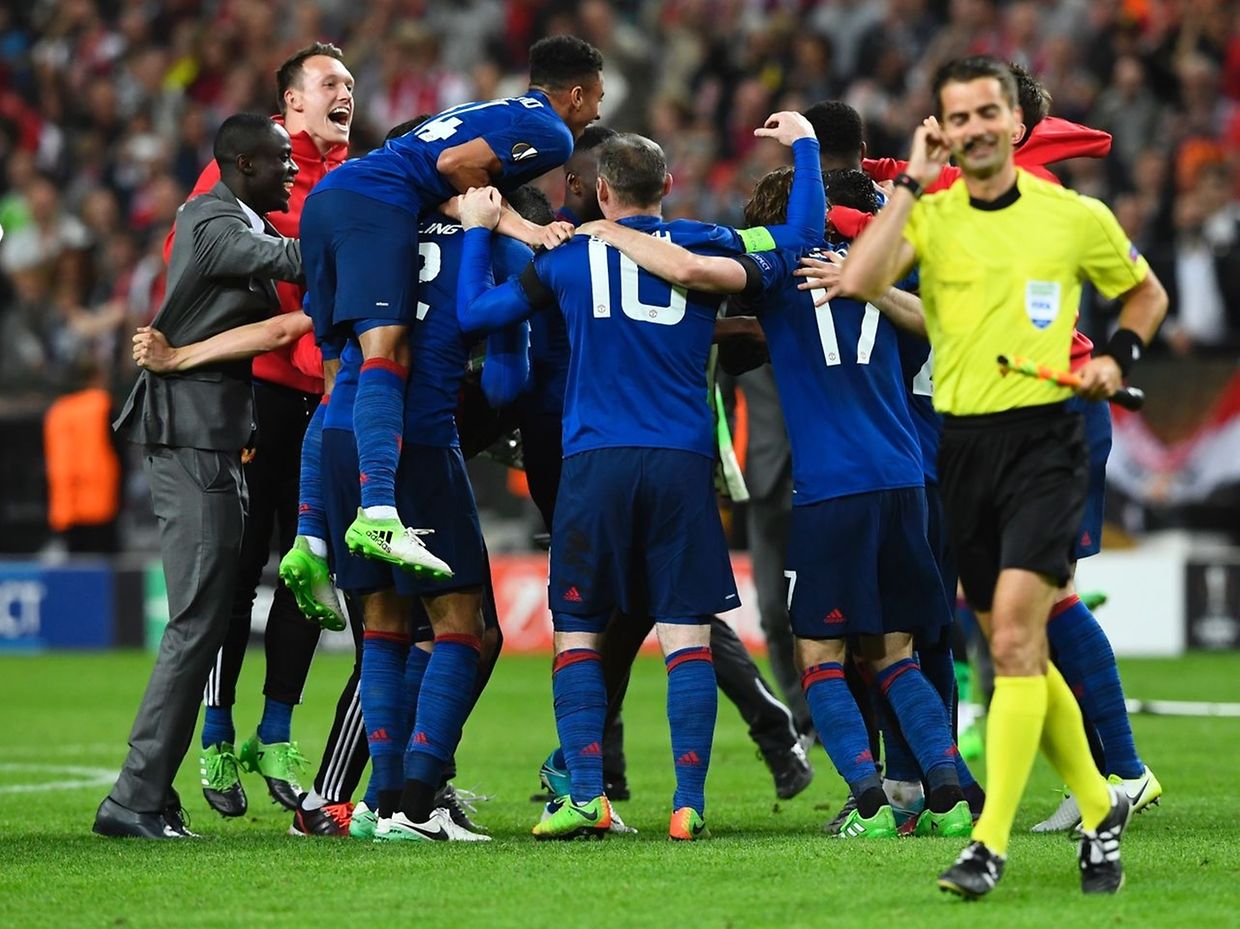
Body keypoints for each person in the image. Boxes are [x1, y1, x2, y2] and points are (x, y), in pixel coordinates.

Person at [838, 56, 1168, 898]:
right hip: (965, 446)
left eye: (993, 112)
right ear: (941, 132)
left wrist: (1117, 358)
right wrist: (908, 185)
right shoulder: (935, 213)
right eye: (960, 117)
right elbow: (864, 280)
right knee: (1010, 641)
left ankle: (988, 843)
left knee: (1017, 638)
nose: (978, 127)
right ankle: (1103, 806)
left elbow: (1145, 296)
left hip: (1048, 442)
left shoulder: (1073, 215)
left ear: (1019, 124)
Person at [456, 115, 825, 841]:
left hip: (593, 460)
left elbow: (476, 313)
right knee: (686, 633)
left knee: (580, 634)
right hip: (681, 462)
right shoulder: (706, 242)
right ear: (668, 187)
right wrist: (806, 148)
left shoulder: (567, 257)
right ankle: (688, 803)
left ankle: (587, 794)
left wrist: (479, 230)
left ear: (599, 190)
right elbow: (800, 238)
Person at [580, 166, 976, 841]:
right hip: (906, 482)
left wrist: (607, 232)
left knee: (819, 656)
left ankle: (872, 805)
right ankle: (947, 795)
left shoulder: (777, 280)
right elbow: (944, 323)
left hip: (832, 491)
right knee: (894, 652)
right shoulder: (886, 275)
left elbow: (691, 272)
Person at [291, 35, 603, 584]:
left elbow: (448, 182)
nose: (598, 110)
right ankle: (380, 514)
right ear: (576, 95)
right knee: (387, 352)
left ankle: (310, 537)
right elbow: (456, 164)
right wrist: (522, 232)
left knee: (341, 369)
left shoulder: (493, 109)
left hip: (331, 203)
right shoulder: (552, 133)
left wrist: (514, 224)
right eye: (597, 98)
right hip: (375, 206)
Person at [161, 41, 355, 820]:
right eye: (330, 84)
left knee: (309, 571)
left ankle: (275, 732)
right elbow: (197, 262)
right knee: (237, 577)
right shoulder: (247, 168)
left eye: (350, 84)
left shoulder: (357, 174)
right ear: (292, 105)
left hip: (326, 397)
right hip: (260, 395)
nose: (345, 93)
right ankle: (215, 730)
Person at [95, 114, 303, 839]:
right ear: (242, 164)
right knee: (196, 623)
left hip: (211, 438)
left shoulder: (229, 216)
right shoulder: (213, 219)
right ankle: (135, 795)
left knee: (209, 620)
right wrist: (374, 238)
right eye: (280, 161)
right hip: (189, 438)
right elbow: (293, 261)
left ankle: (150, 792)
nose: (292, 171)